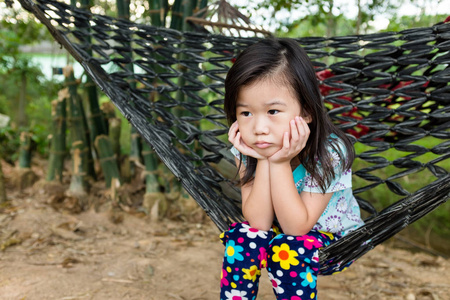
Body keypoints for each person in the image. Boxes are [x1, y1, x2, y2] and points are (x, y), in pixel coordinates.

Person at [219, 38, 365, 300]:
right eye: (246, 113)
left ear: (306, 112)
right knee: (242, 236)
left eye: (273, 111)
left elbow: (297, 228)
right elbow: (259, 223)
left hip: (333, 239)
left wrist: (279, 161)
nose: (259, 128)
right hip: (278, 231)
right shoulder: (246, 147)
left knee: (290, 247)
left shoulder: (331, 153)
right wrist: (264, 159)